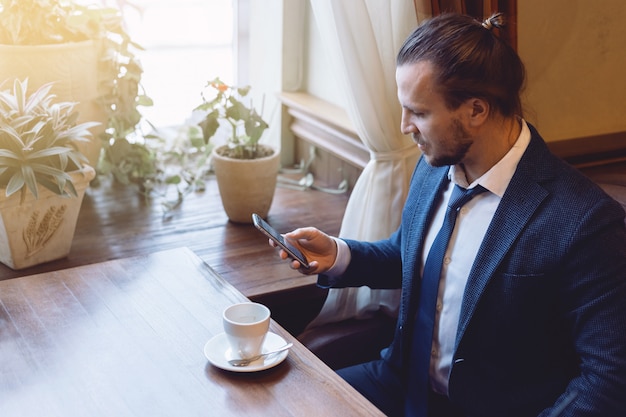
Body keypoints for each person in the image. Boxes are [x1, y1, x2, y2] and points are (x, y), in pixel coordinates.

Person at [270, 12, 626, 417]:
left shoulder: (585, 222)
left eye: (418, 113)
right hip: (398, 384)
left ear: (476, 110)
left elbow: (608, 379)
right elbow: (413, 258)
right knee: (277, 403)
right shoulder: (434, 164)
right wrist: (338, 255)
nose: (405, 126)